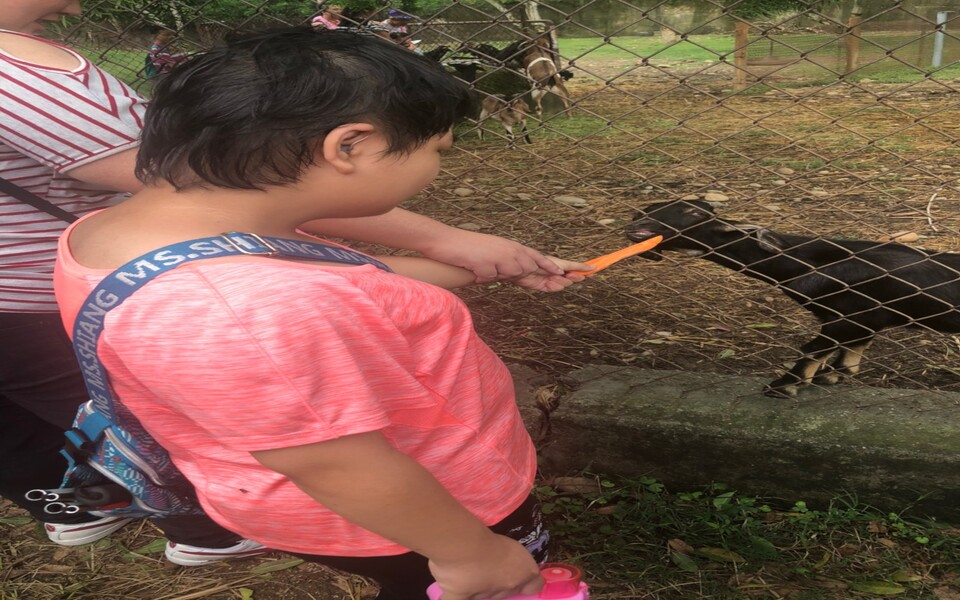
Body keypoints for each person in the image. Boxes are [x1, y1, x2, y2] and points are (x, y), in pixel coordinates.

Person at [0, 1, 583, 568]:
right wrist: (471, 556)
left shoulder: (126, 238)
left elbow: (330, 280)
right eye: (437, 150)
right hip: (421, 516)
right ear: (348, 146)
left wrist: (477, 267)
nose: (438, 164)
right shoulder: (244, 311)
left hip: (341, 505)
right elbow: (336, 464)